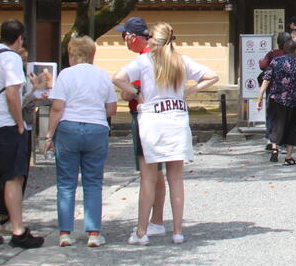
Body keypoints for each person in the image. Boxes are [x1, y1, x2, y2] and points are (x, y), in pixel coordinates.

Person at [114, 22, 219, 245]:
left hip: (152, 120)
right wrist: (189, 90)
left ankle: (141, 232)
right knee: (176, 178)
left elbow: (117, 77)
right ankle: (177, 231)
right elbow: (212, 76)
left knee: (148, 178)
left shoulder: (144, 61)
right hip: (177, 119)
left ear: (153, 39)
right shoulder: (181, 61)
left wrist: (136, 91)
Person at [0, 19, 44, 249]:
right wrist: (19, 123)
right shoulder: (11, 57)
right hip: (5, 125)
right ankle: (18, 230)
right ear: (19, 38)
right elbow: (12, 92)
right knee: (13, 177)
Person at [45, 35, 118, 247]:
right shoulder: (102, 75)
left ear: (72, 54)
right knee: (93, 182)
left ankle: (65, 233)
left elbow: (57, 107)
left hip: (68, 128)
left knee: (66, 183)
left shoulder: (65, 75)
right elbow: (111, 108)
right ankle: (94, 233)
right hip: (96, 128)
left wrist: (49, 135)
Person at [114, 16, 168, 235]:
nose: (124, 41)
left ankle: (146, 225)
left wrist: (129, 93)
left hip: (144, 115)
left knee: (149, 172)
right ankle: (157, 220)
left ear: (132, 37)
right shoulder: (159, 56)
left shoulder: (143, 60)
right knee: (158, 171)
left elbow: (127, 92)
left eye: (124, 37)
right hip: (161, 115)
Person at [259, 38, 296, 165]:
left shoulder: (275, 61)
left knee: (276, 124)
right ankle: (288, 157)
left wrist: (260, 95)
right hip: (294, 99)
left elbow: (267, 78)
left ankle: (274, 149)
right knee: (292, 127)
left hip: (276, 98)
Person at [259, 31, 292, 158]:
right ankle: (283, 143)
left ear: (278, 42)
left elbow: (263, 65)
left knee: (271, 115)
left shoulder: (272, 54)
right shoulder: (292, 54)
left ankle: (270, 139)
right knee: (286, 116)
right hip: (289, 91)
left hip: (272, 89)